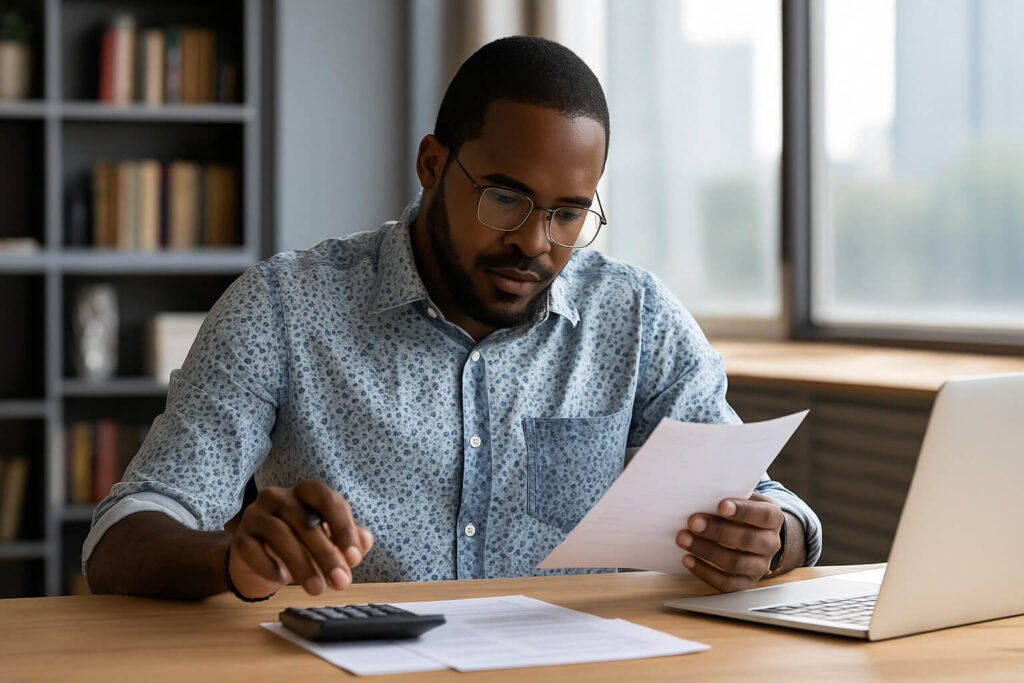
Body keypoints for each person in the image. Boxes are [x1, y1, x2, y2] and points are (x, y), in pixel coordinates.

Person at [85, 36, 821, 601]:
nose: (535, 241)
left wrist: (774, 537)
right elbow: (123, 535)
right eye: (505, 197)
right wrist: (229, 555)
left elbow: (761, 500)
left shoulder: (636, 320)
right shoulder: (284, 309)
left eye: (568, 213)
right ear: (433, 165)